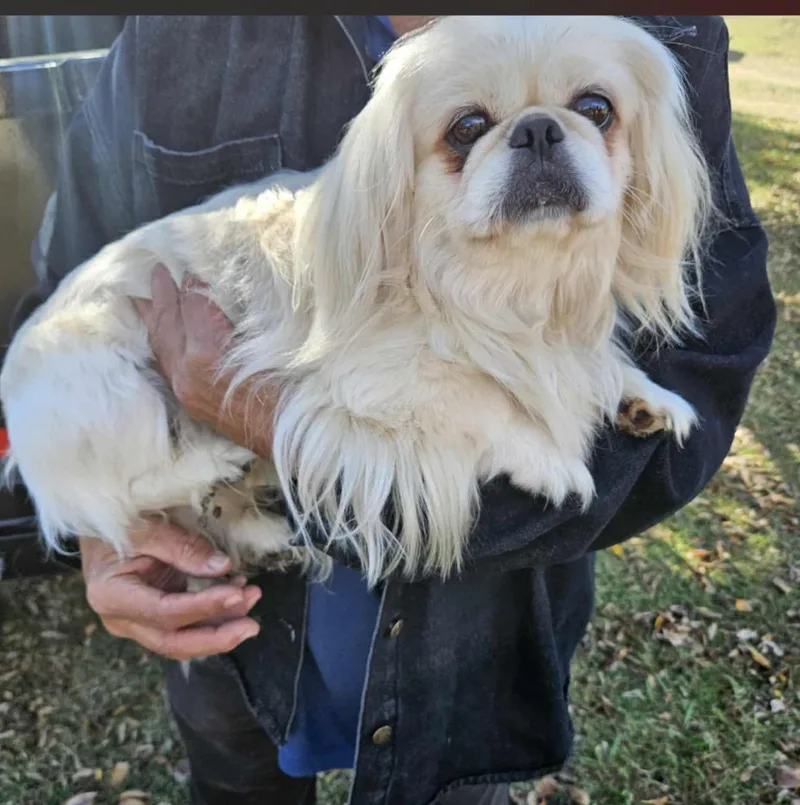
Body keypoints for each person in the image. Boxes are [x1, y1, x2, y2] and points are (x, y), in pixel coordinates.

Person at [11, 15, 775, 805]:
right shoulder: (183, 32)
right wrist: (103, 527)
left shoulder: (660, 31)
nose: (543, 137)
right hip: (233, 631)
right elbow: (67, 294)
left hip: (480, 657)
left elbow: (704, 365)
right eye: (469, 128)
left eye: (593, 110)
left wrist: (263, 414)